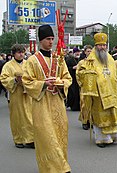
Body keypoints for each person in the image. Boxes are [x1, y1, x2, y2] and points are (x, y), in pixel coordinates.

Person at [22, 24, 72, 173]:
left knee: (59, 135)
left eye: (52, 39)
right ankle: (55, 169)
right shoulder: (32, 60)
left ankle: (61, 165)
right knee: (47, 137)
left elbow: (67, 78)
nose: (51, 42)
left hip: (57, 103)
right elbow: (27, 81)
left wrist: (61, 84)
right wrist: (43, 84)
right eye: (48, 39)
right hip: (41, 104)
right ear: (40, 40)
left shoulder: (59, 59)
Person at [78, 33, 117, 148]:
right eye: (100, 45)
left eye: (104, 45)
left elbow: (115, 73)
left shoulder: (109, 57)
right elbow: (81, 72)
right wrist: (89, 78)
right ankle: (101, 138)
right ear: (96, 45)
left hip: (111, 90)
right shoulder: (91, 58)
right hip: (98, 93)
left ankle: (113, 135)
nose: (102, 47)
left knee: (112, 114)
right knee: (100, 115)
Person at [0, 44, 34, 148]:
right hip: (16, 94)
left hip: (28, 94)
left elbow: (34, 76)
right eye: (19, 52)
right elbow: (3, 78)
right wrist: (15, 80)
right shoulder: (8, 65)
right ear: (14, 54)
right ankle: (18, 139)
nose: (21, 54)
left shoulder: (28, 64)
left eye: (23, 52)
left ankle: (30, 139)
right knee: (17, 117)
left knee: (30, 116)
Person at [76, 45, 93, 130]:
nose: (89, 53)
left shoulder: (95, 62)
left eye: (90, 51)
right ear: (85, 52)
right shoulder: (81, 63)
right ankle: (84, 120)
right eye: (88, 51)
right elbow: (78, 73)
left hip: (93, 86)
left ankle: (91, 120)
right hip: (85, 85)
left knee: (92, 104)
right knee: (84, 103)